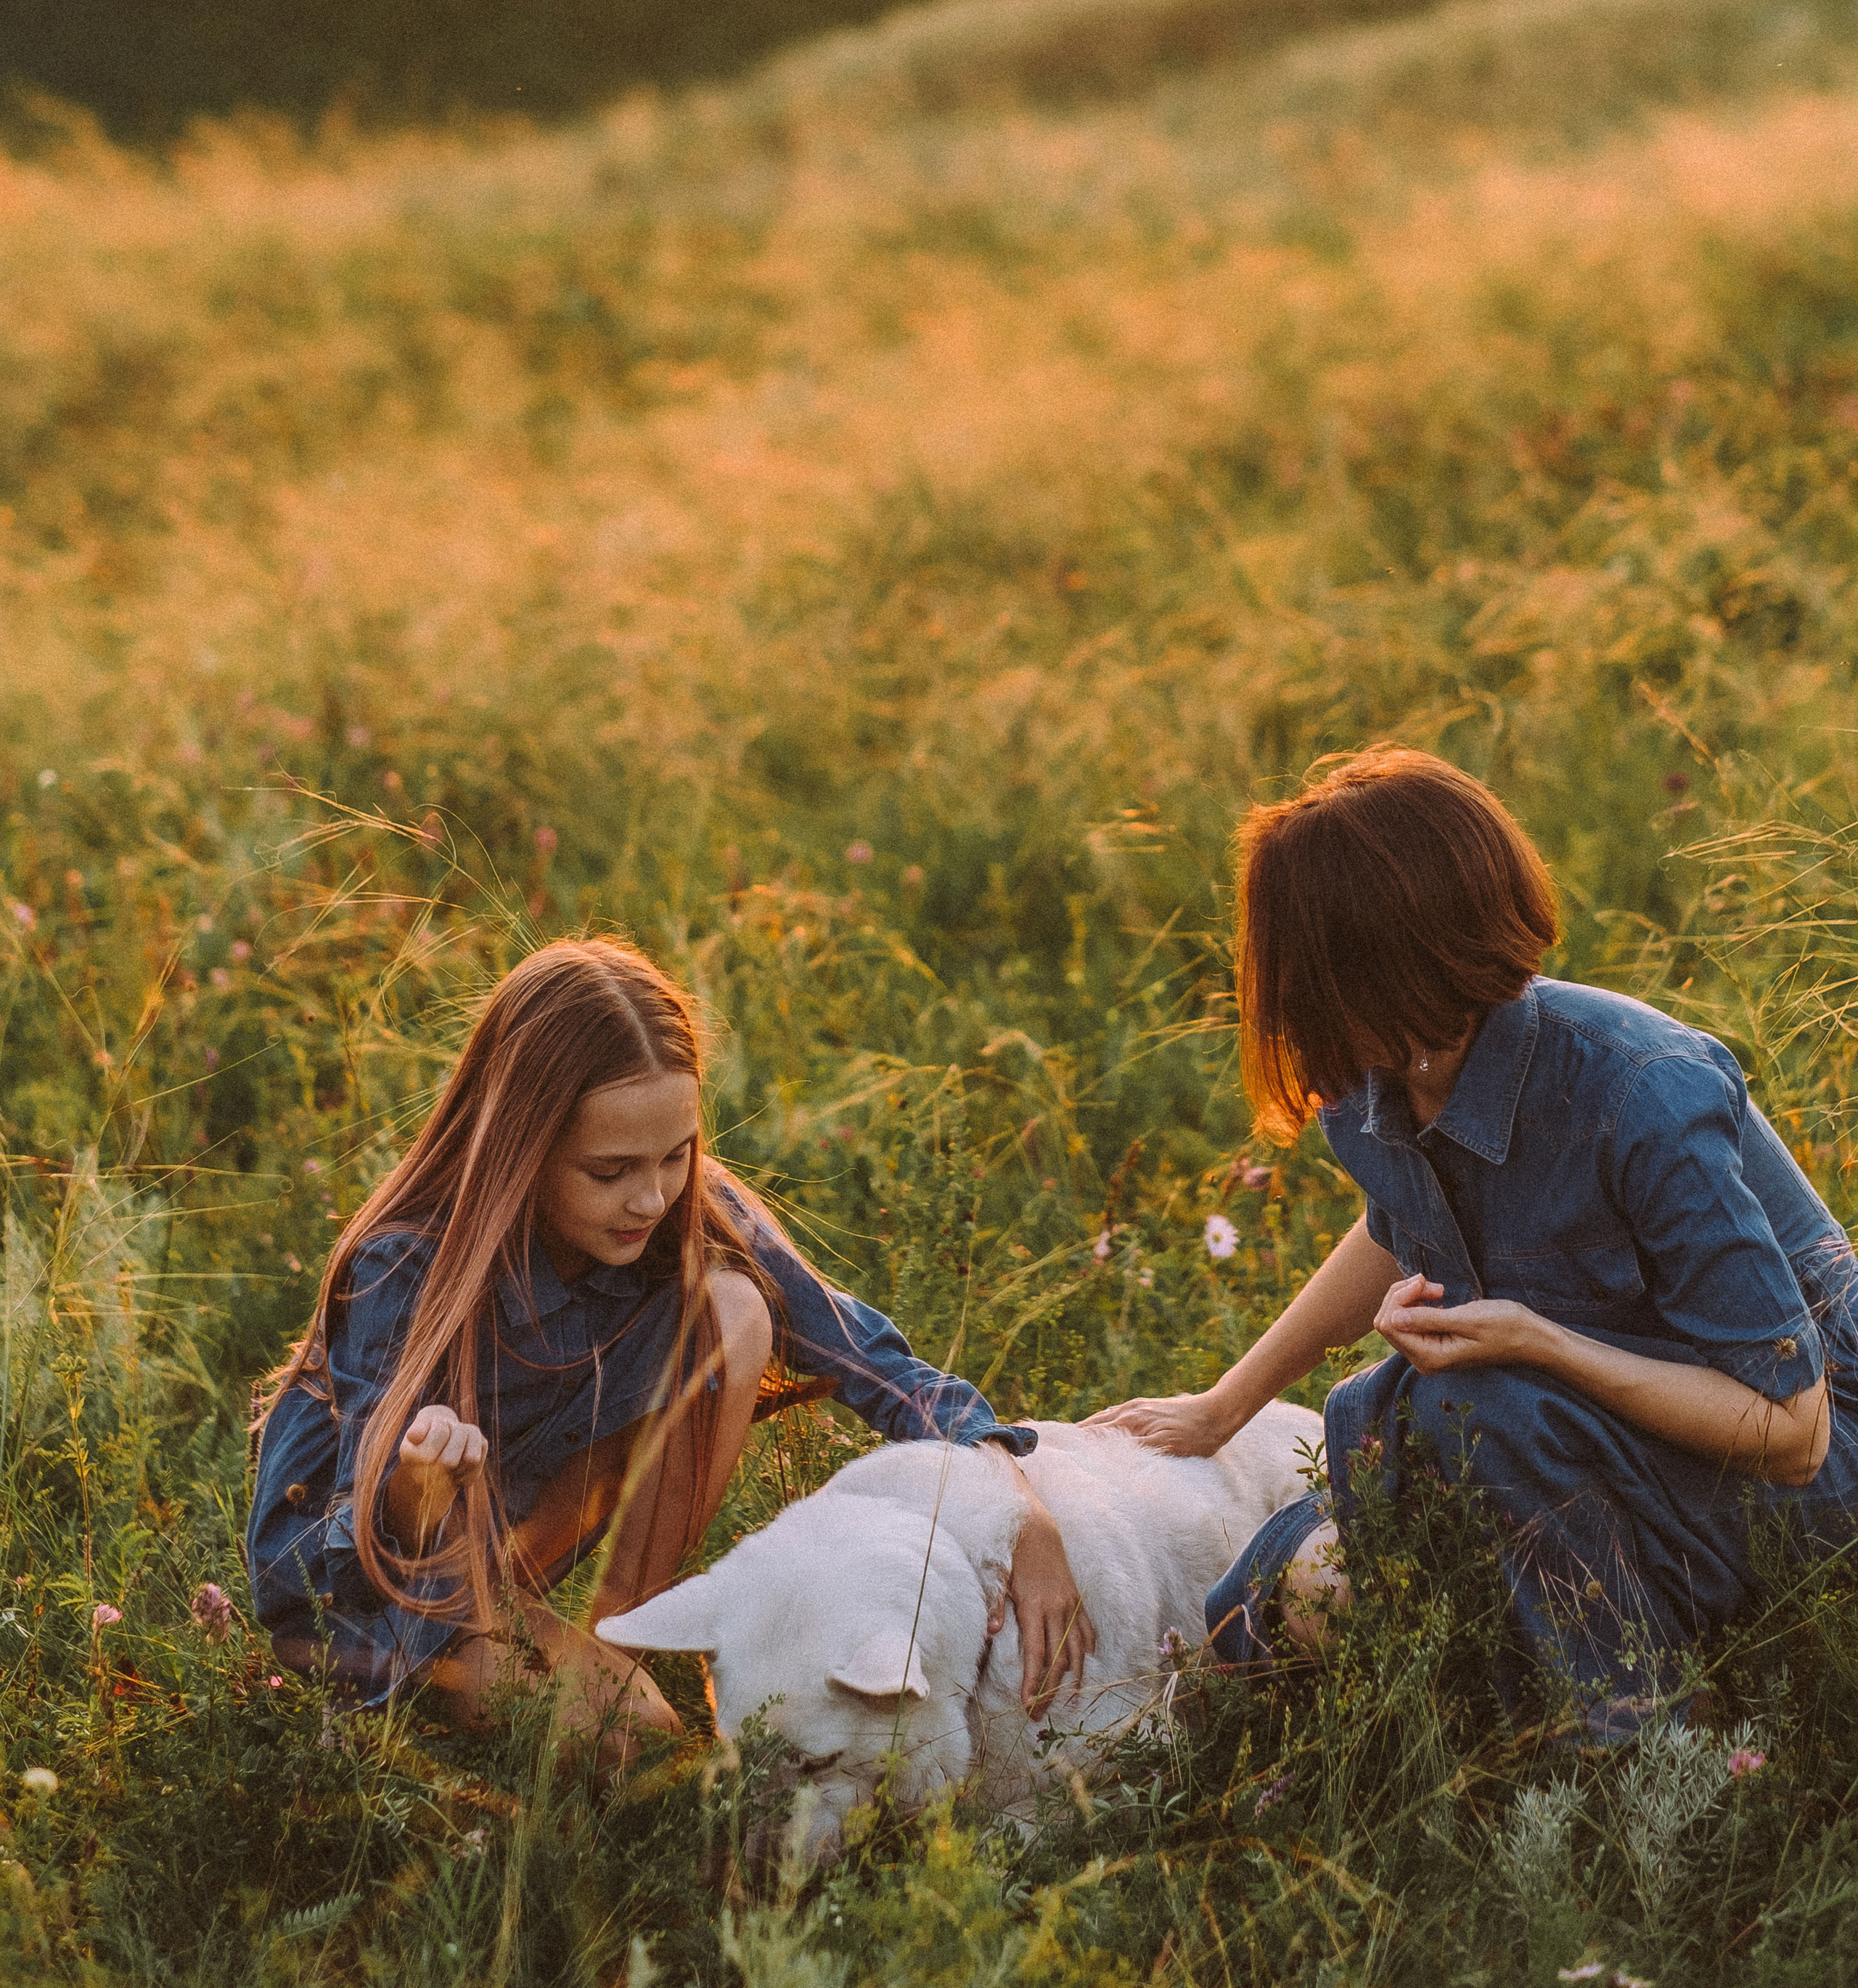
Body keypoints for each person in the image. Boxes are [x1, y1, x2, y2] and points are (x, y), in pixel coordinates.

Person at [1090, 745, 1858, 1731]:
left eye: (1299, 967)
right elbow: (1393, 1221)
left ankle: (1647, 1744)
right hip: (1575, 1453)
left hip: (1803, 1465)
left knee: (1477, 1409)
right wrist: (1224, 1405)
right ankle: (1494, 1718)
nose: (1278, 999)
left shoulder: (1639, 1091)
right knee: (1300, 1587)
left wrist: (1541, 1345)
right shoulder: (1379, 1076)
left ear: (1381, 965)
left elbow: (1793, 1435)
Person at [249, 937, 1092, 1763]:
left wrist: (1016, 1505)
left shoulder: (686, 1207)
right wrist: (422, 1481)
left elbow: (867, 1360)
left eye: (675, 1155)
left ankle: (619, 1642)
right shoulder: (406, 1266)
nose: (650, 1197)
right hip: (363, 1598)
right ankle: (393, 1697)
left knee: (735, 1308)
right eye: (608, 1170)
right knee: (636, 1741)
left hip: (504, 1556)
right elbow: (352, 1544)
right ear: (521, 1148)